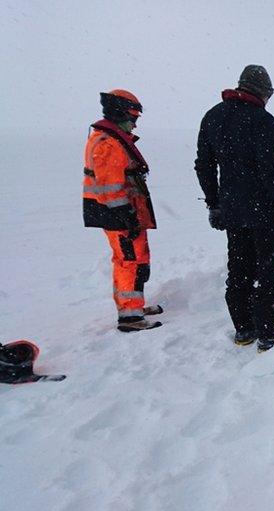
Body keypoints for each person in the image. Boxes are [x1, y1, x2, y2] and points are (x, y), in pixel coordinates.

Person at [195, 65, 274, 351]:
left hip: (233, 210)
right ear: (262, 91)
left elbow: (204, 165)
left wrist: (214, 204)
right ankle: (269, 332)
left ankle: (244, 328)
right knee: (269, 270)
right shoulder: (262, 120)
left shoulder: (213, 116)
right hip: (263, 209)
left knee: (239, 267)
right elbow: (273, 171)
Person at [82, 89, 162, 332]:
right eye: (132, 118)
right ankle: (129, 316)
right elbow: (110, 187)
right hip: (119, 215)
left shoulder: (111, 139)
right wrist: (125, 214)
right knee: (128, 261)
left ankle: (134, 306)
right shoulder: (108, 144)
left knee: (137, 259)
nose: (134, 124)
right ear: (119, 113)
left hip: (127, 212)